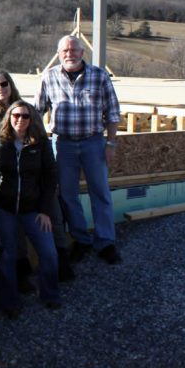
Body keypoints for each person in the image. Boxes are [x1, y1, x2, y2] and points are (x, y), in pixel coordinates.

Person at [0, 69, 74, 285]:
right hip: (5, 181)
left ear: (11, 85)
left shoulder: (27, 109)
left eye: (4, 84)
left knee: (53, 218)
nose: (0, 89)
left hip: (34, 180)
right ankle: (22, 272)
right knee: (12, 232)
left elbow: (41, 139)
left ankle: (61, 263)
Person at [34, 35, 123, 265]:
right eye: (64, 50)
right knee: (67, 195)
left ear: (82, 53)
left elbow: (112, 113)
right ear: (59, 53)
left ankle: (105, 242)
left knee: (100, 193)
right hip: (62, 144)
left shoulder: (99, 76)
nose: (69, 54)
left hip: (93, 142)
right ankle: (81, 240)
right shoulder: (49, 76)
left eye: (74, 50)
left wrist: (111, 143)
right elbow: (36, 111)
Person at [0, 100, 61, 317]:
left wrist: (45, 210)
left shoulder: (41, 144)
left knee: (49, 252)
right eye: (15, 115)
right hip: (4, 209)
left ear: (31, 119)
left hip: (33, 210)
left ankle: (50, 294)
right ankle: (9, 302)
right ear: (9, 117)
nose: (20, 120)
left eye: (25, 116)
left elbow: (50, 177)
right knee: (7, 256)